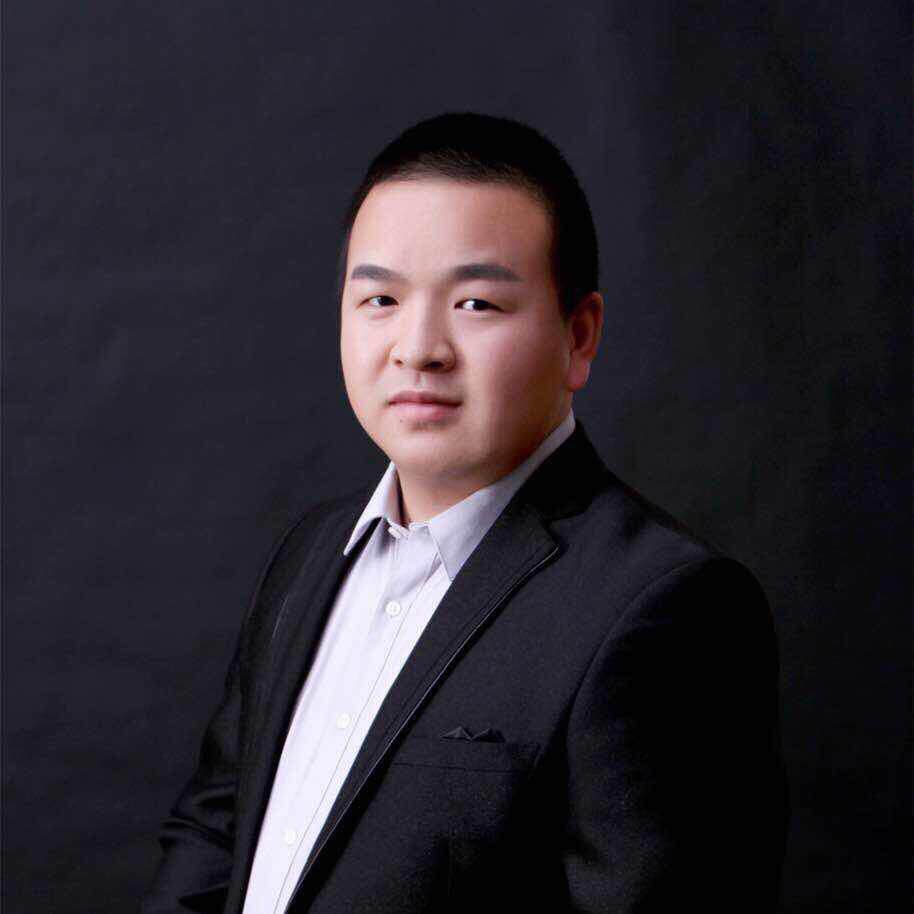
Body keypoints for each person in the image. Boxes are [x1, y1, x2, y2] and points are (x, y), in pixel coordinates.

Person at [140, 111, 790, 914]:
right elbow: (217, 832)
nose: (418, 347)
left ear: (579, 336)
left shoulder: (667, 608)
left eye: (477, 303)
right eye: (380, 298)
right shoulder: (311, 554)